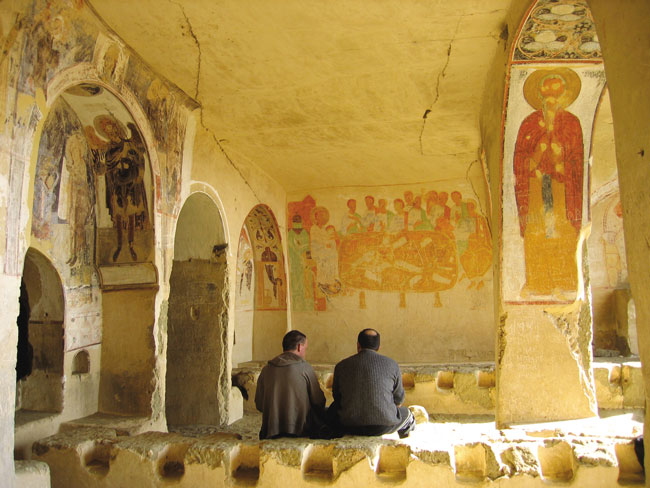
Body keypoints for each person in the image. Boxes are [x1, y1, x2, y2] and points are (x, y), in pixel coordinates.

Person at [328, 329, 415, 438]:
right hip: (383, 426)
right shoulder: (392, 365)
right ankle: (402, 441)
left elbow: (337, 397)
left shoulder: (341, 366)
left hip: (349, 425)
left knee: (330, 411)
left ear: (358, 345)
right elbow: (398, 400)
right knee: (407, 414)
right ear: (378, 347)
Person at [255, 330, 326, 439]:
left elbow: (259, 404)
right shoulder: (305, 368)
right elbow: (319, 401)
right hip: (300, 431)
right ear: (299, 347)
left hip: (270, 431)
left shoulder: (266, 369)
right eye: (305, 348)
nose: (305, 352)